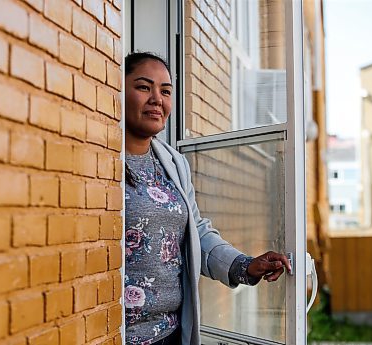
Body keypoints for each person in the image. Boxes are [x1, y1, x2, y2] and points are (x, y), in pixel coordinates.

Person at [124, 52, 292, 345]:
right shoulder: (98, 160)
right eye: (143, 87)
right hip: (118, 334)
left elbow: (195, 232)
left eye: (165, 91)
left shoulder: (174, 163)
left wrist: (246, 265)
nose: (156, 99)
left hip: (170, 333)